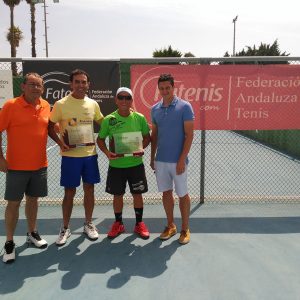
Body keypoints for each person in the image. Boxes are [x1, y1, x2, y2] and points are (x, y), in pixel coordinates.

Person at [48, 69, 103, 246]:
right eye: (77, 82)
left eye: (83, 82)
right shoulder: (61, 104)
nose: (80, 85)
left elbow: (104, 122)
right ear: (71, 84)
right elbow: (49, 126)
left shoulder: (93, 104)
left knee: (89, 189)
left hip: (89, 156)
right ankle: (65, 227)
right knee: (69, 192)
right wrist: (60, 142)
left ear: (88, 85)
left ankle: (88, 223)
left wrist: (124, 116)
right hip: (70, 157)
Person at [0, 73, 50, 263]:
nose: (35, 88)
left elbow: (50, 128)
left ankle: (32, 233)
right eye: (32, 84)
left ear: (43, 88)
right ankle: (10, 242)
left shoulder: (46, 106)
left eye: (39, 85)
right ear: (23, 86)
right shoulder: (11, 106)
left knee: (33, 200)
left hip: (39, 165)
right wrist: (0, 158)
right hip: (16, 166)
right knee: (13, 203)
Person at [97, 87, 151, 239]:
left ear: (132, 100)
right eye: (121, 97)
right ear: (116, 100)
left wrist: (142, 147)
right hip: (116, 166)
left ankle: (139, 223)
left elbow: (147, 137)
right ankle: (118, 223)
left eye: (128, 98)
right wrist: (108, 153)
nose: (124, 100)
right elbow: (100, 140)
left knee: (137, 194)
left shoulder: (139, 118)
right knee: (117, 195)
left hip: (135, 165)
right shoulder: (109, 120)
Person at [150, 73, 194, 245]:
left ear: (173, 87)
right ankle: (171, 225)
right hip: (161, 160)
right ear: (158, 89)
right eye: (161, 88)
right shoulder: (155, 109)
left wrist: (182, 159)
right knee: (166, 193)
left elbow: (189, 135)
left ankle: (185, 228)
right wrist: (153, 157)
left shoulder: (185, 107)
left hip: (178, 162)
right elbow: (155, 135)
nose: (164, 91)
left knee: (183, 194)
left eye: (167, 87)